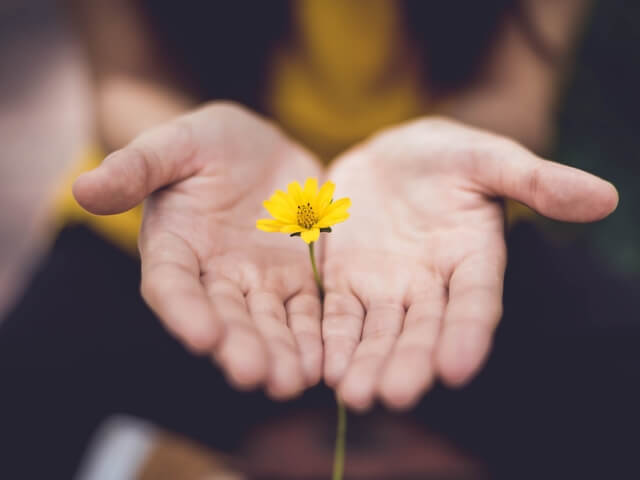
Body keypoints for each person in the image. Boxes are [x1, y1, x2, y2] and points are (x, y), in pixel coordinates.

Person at [2, 1, 638, 478]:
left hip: (436, 228)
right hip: (197, 223)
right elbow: (127, 78)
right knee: (25, 400)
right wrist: (179, 147)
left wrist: (451, 148)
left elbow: (513, 93)